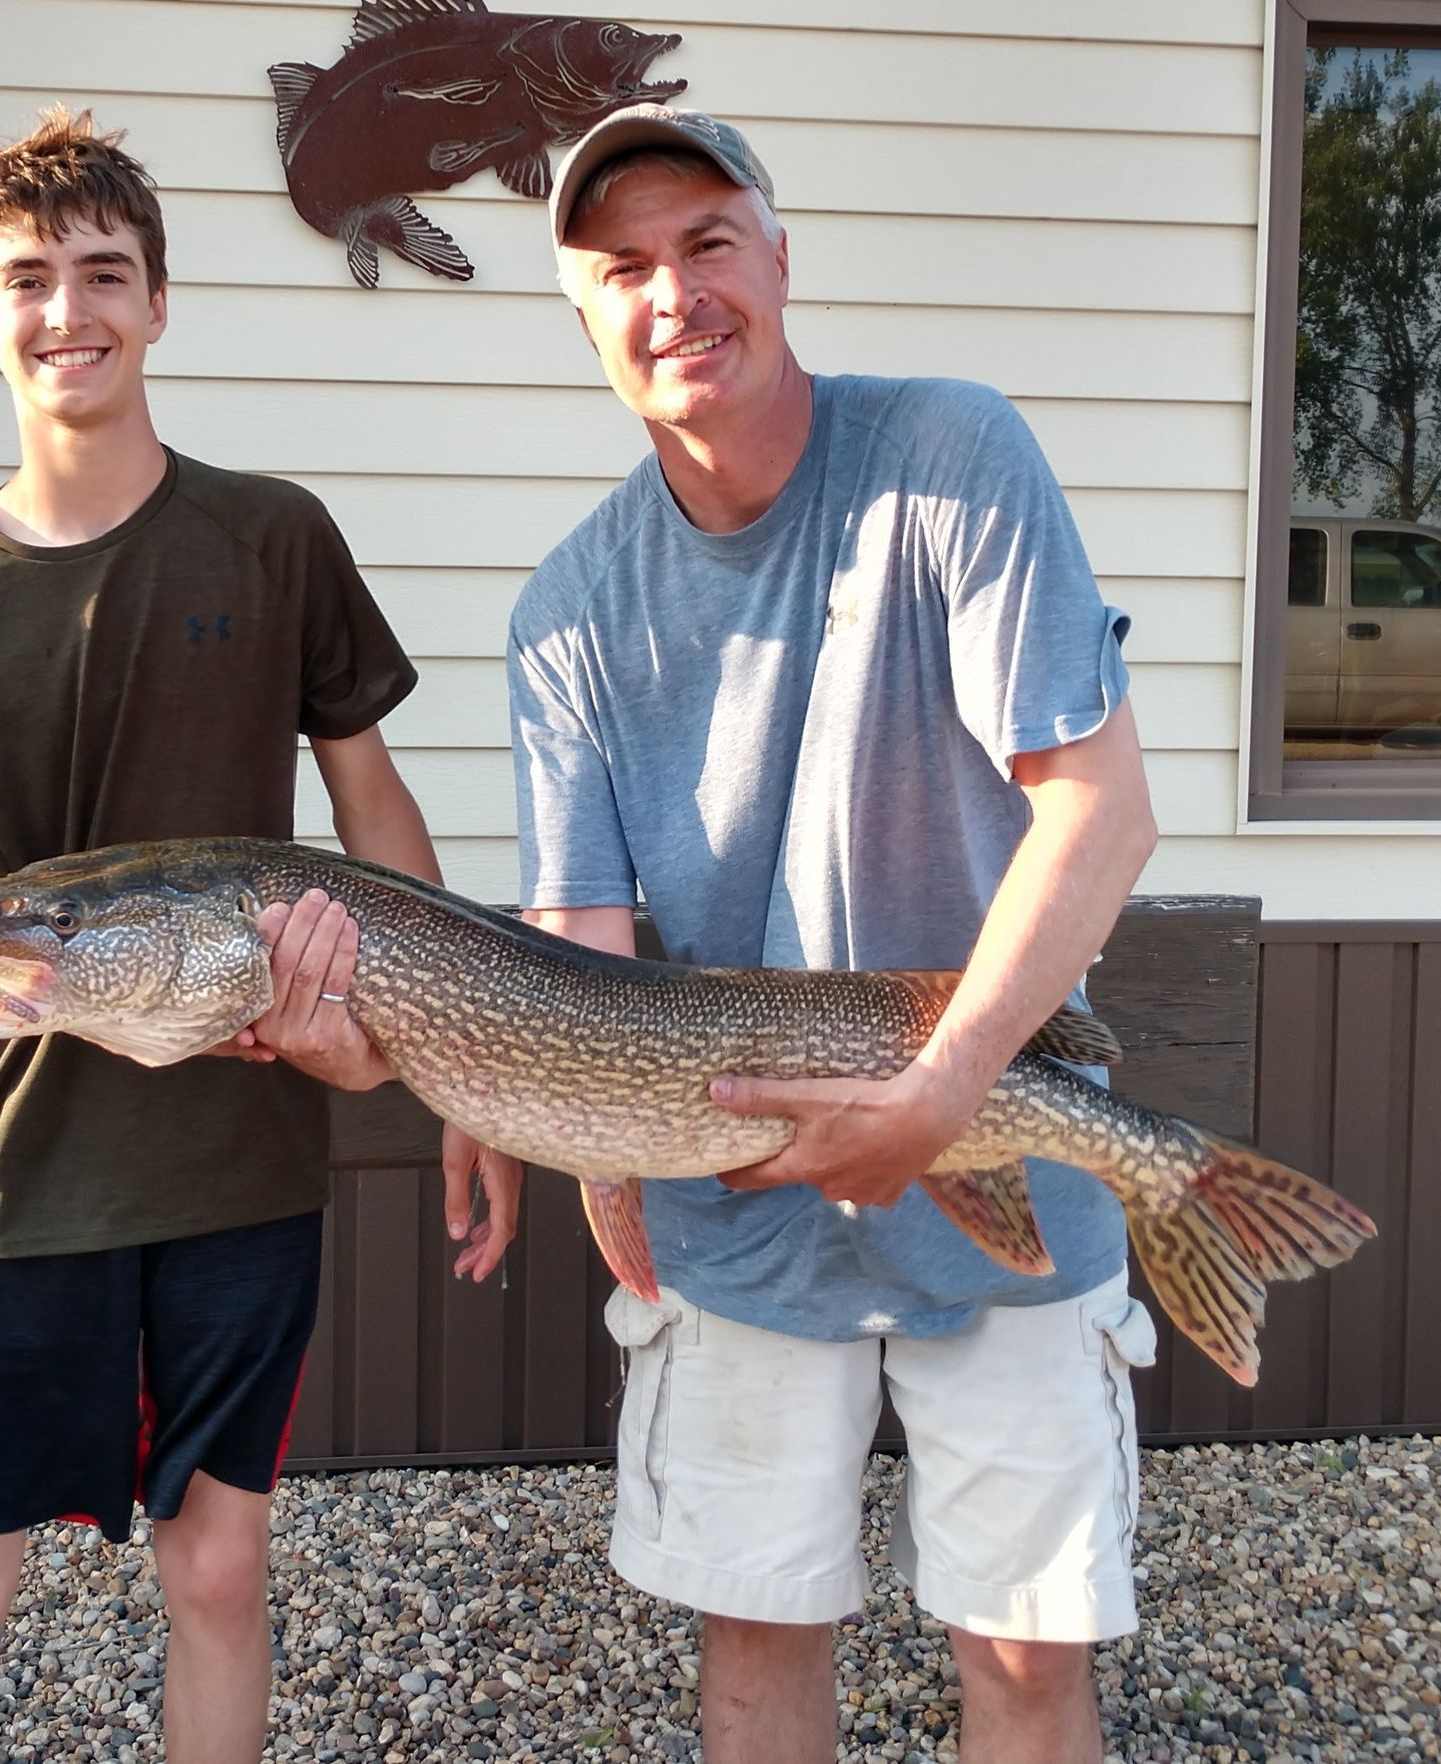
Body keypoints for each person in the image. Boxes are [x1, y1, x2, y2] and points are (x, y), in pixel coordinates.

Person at [0, 107, 517, 1764]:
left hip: (240, 1158)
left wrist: (450, 1068)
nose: (66, 311)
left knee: (218, 1571)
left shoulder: (272, 534)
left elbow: (376, 821)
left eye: (104, 272)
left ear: (161, 303)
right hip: (21, 1170)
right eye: (28, 279)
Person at [506, 106, 1162, 1764]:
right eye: (623, 268)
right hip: (735, 1203)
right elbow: (573, 957)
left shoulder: (954, 453)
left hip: (1005, 1122)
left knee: (1024, 1658)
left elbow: (1101, 809)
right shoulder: (568, 610)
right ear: (583, 316)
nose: (674, 294)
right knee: (757, 1637)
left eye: (708, 242)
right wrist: (546, 1125)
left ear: (780, 260)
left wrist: (944, 1093)